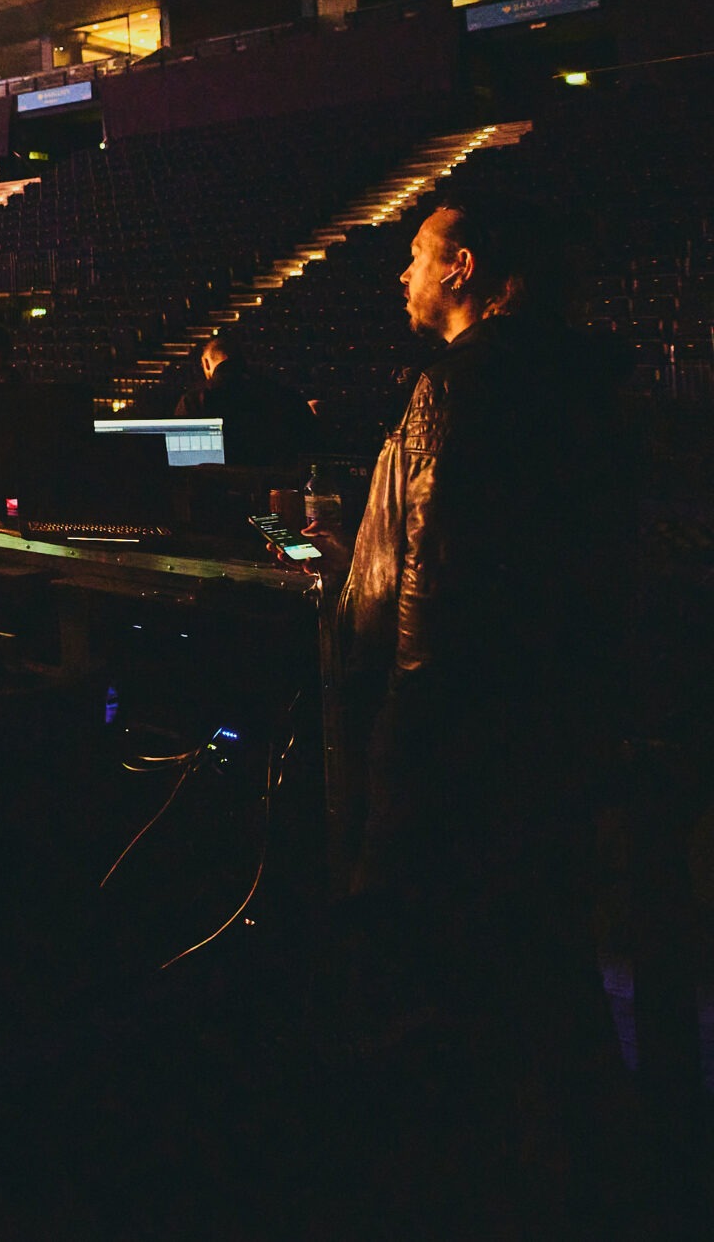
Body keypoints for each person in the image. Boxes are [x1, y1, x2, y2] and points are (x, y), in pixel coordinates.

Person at [321, 196, 637, 1232]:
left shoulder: (465, 386)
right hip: (559, 740)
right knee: (544, 973)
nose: (398, 278)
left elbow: (435, 597)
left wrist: (396, 770)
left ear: (460, 268)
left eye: (413, 258)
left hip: (450, 749)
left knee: (438, 988)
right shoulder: (594, 381)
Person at [172, 331, 317, 467]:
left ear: (206, 363)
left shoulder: (194, 401)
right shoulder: (283, 394)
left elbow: (183, 462)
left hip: (215, 489)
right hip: (274, 487)